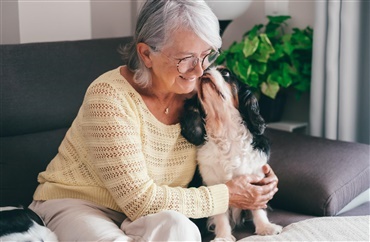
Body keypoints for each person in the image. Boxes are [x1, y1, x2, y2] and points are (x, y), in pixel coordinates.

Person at [29, 0, 279, 241]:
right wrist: (229, 195)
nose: (199, 71)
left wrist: (258, 178)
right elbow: (139, 201)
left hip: (146, 215)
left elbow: (232, 142)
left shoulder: (197, 94)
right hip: (79, 204)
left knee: (182, 230)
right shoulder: (109, 98)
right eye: (185, 59)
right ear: (146, 54)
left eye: (206, 55)